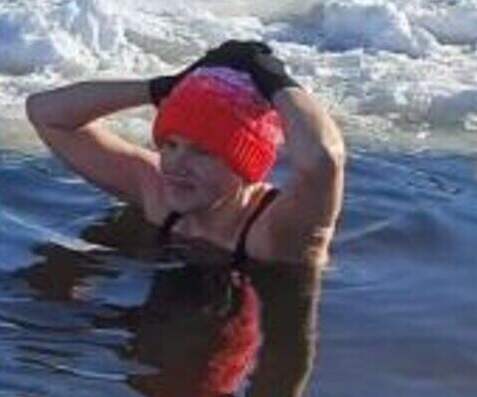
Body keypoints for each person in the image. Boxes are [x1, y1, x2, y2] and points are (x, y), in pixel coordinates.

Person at [24, 39, 346, 269]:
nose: (176, 164)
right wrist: (162, 88)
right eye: (170, 145)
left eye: (202, 152)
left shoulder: (275, 232)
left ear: (245, 166)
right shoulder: (159, 195)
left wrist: (275, 80)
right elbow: (44, 112)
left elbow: (323, 159)